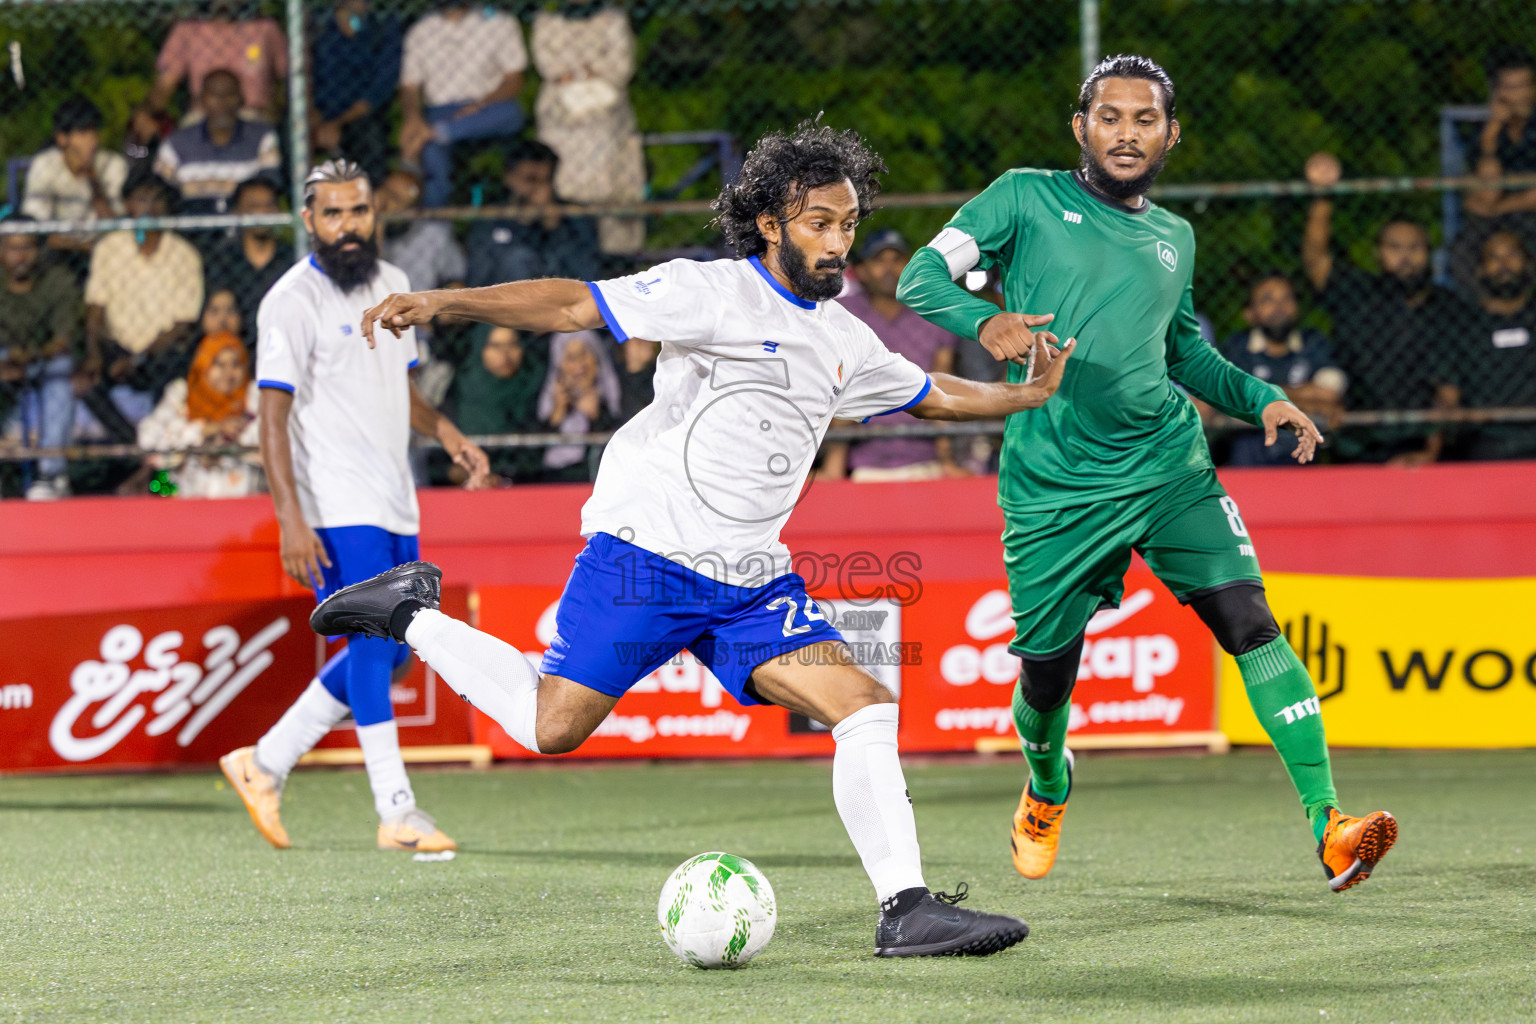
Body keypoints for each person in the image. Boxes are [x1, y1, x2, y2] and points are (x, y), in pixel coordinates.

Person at [333, 120, 1075, 959]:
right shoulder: (708, 290)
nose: (838, 243)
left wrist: (1026, 397)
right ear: (770, 223)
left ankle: (905, 909)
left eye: (849, 224)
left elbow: (928, 393)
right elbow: (577, 302)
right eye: (820, 224)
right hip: (644, 554)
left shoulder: (843, 336)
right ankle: (407, 613)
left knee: (863, 707)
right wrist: (444, 302)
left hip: (753, 580)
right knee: (552, 727)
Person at [898, 56, 1397, 894]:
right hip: (1053, 486)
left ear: (1171, 134)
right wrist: (986, 321)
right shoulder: (1020, 195)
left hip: (1169, 467)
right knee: (1046, 676)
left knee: (1252, 624)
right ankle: (1049, 785)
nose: (1126, 132)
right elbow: (921, 275)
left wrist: (1259, 397)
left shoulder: (1175, 237)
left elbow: (1182, 352)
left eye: (1144, 119)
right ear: (1080, 127)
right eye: (1110, 116)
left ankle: (1329, 823)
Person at [219, 160, 489, 855]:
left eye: (358, 212)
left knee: (397, 652)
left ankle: (266, 762)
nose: (347, 226)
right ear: (308, 221)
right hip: (334, 504)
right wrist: (289, 517)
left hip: (395, 496)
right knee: (372, 640)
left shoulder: (397, 285)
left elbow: (401, 389)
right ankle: (396, 809)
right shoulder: (290, 301)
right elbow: (270, 418)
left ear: (376, 214)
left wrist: (447, 431)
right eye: (332, 214)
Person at [1302, 151, 1466, 464]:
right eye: (1395, 248)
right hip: (1357, 442)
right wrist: (1322, 195)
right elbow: (1316, 259)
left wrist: (1429, 453)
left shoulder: (1446, 307)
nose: (1406, 257)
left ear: (1429, 254)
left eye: (1415, 248)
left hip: (1422, 445)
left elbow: (1450, 395)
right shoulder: (1359, 295)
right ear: (1379, 254)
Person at [819, 229, 967, 481]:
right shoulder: (845, 311)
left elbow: (942, 382)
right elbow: (836, 383)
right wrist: (834, 465)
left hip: (924, 459)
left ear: (910, 266)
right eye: (879, 261)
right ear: (863, 270)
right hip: (863, 462)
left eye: (897, 260)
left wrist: (947, 462)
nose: (889, 269)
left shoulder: (933, 311)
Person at [80, 172, 204, 441]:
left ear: (167, 207)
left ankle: (155, 458)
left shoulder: (184, 254)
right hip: (117, 346)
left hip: (160, 352)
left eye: (157, 200)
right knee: (85, 383)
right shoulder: (109, 247)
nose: (149, 207)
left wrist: (139, 358)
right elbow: (95, 307)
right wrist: (95, 352)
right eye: (141, 199)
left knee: (175, 375)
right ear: (127, 205)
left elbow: (184, 323)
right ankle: (140, 452)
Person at [530, 0, 646, 254]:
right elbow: (550, 67)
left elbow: (620, 67)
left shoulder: (612, 20)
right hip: (560, 108)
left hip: (606, 107)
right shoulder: (547, 23)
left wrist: (578, 73)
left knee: (606, 147)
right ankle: (567, 239)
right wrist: (589, 70)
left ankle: (611, 250)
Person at [399, 2, 529, 208]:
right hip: (441, 110)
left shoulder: (499, 22)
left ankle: (436, 133)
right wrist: (412, 117)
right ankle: (435, 224)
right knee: (431, 150)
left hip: (488, 108)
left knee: (512, 113)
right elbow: (409, 88)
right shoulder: (420, 30)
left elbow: (515, 80)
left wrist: (483, 103)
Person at [1219, 273, 1346, 467]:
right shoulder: (1237, 347)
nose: (1279, 307)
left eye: (1286, 298)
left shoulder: (1313, 341)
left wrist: (1262, 399)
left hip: (1304, 463)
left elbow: (1330, 390)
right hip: (1248, 464)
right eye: (1267, 300)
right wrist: (1303, 402)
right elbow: (1231, 398)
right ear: (1249, 313)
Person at [0, 217, 82, 500]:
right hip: (3, 359)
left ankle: (51, 473)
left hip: (43, 360)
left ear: (39, 250)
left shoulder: (58, 279)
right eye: (12, 248)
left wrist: (28, 358)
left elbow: (63, 340)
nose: (20, 256)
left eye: (27, 247)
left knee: (62, 371)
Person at [136, 324, 263, 498]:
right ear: (204, 364)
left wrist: (231, 441)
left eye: (236, 364)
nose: (229, 373)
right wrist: (207, 429)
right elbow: (148, 439)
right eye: (219, 364)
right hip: (189, 504)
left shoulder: (254, 395)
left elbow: (275, 443)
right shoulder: (181, 395)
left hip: (245, 503)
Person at [1449, 230, 1536, 461]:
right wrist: (1460, 414)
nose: (1504, 265)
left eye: (1512, 255)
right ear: (1480, 270)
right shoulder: (1462, 326)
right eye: (1494, 258)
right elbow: (1448, 391)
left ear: (1529, 264)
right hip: (1487, 441)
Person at [465, 141, 599, 288]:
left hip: (557, 303)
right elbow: (477, 278)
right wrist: (522, 225)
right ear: (509, 177)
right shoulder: (490, 219)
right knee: (519, 257)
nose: (537, 189)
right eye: (530, 180)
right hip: (501, 303)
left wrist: (554, 228)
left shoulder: (573, 217)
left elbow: (587, 276)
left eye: (545, 181)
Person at [153, 70, 283, 218]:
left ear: (241, 99)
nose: (222, 102)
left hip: (243, 228)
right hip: (190, 228)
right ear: (202, 100)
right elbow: (160, 191)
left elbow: (269, 187)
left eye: (229, 95)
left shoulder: (262, 137)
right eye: (214, 95)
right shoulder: (176, 143)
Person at [20, 96, 129, 267]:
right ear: (62, 138)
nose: (93, 140)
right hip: (59, 252)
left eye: (94, 131)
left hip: (106, 249)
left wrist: (93, 180)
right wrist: (81, 246)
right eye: (83, 132)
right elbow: (37, 228)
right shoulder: (45, 165)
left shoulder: (113, 165)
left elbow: (119, 226)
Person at [310, 0, 403, 187]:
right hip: (318, 114)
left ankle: (369, 201)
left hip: (359, 116)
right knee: (291, 134)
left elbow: (377, 91)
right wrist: (314, 117)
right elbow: (303, 76)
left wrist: (336, 124)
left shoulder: (384, 27)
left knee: (370, 138)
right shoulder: (316, 25)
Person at [148, 0, 288, 124]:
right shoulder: (189, 29)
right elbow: (166, 83)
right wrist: (147, 114)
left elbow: (287, 77)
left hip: (251, 115)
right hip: (203, 116)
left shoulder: (264, 28)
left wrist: (275, 109)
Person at [449, 324, 546, 483]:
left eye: (512, 344)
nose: (505, 354)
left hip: (532, 487)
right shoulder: (461, 393)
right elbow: (442, 466)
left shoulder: (538, 383)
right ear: (479, 348)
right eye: (495, 346)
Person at [205, 177, 293, 349]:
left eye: (268, 205)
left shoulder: (291, 259)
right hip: (234, 353)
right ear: (238, 211)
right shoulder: (224, 260)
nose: (262, 212)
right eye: (253, 206)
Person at [537, 330, 619, 481]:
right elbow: (527, 459)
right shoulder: (544, 399)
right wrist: (556, 416)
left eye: (584, 354)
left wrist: (597, 416)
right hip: (553, 482)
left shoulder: (615, 394)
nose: (579, 365)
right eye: (571, 358)